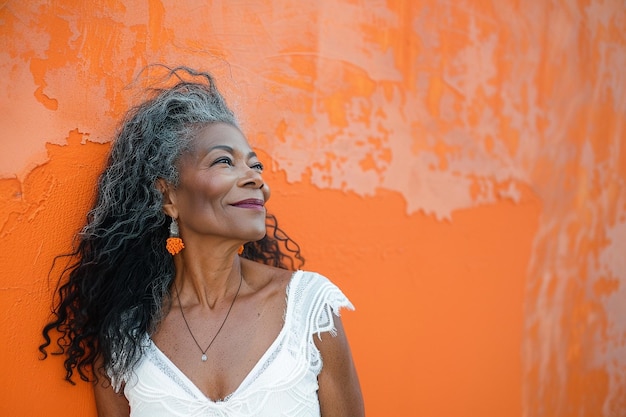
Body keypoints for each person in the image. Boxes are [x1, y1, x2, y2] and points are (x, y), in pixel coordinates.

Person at [40, 66, 364, 417]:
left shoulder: (308, 311)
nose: (255, 179)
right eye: (224, 161)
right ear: (168, 197)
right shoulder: (125, 336)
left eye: (256, 166)